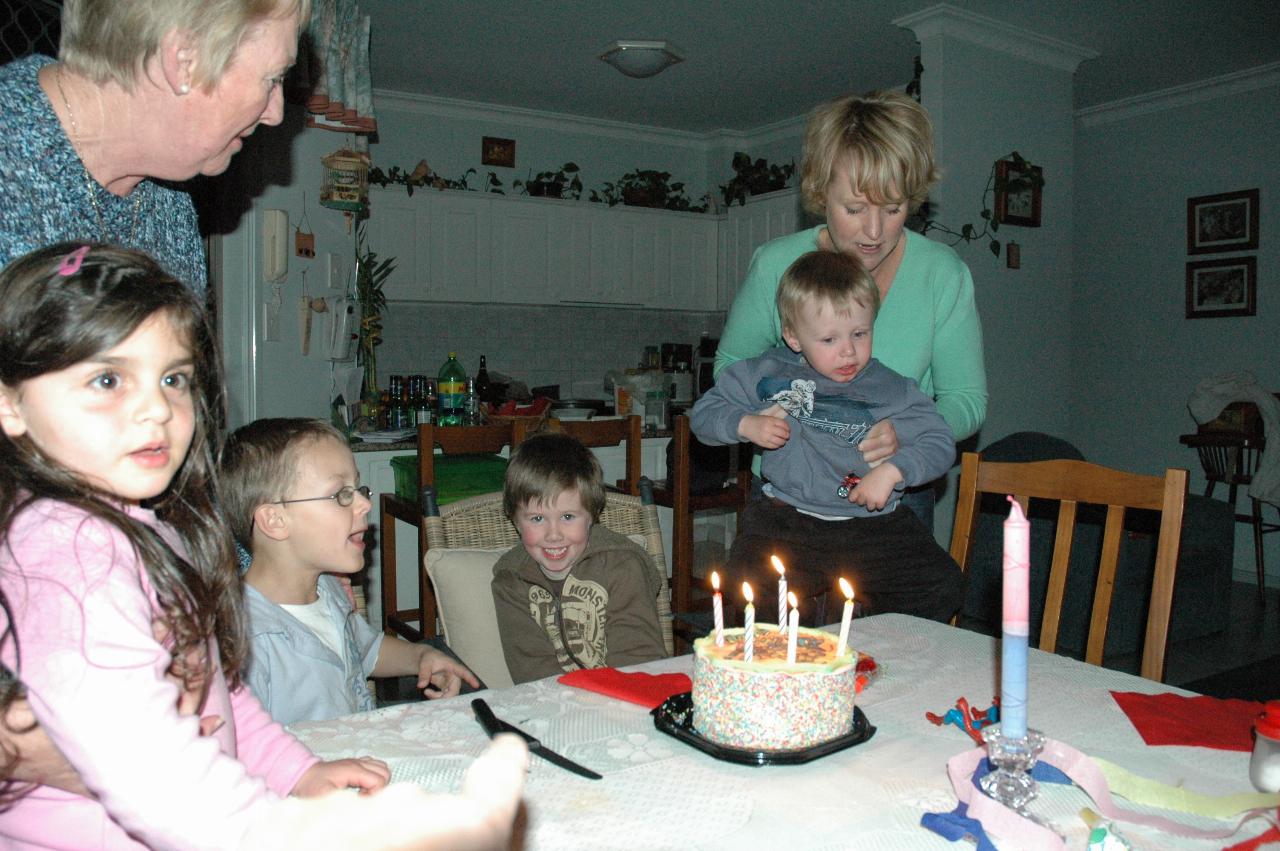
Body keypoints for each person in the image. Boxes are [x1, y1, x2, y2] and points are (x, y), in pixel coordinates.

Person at [0, 243, 400, 847]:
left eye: (173, 378)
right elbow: (149, 767)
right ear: (10, 403)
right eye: (108, 379)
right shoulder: (68, 550)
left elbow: (222, 689)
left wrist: (296, 772)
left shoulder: (147, 529)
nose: (156, 408)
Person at [715, 89, 988, 532]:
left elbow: (967, 400)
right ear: (822, 194)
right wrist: (761, 415)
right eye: (855, 209)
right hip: (788, 496)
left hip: (893, 495)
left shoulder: (942, 274)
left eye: (893, 208)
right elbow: (729, 365)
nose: (875, 231)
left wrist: (907, 430)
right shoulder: (775, 266)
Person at [690, 251, 963, 623]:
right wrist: (744, 424)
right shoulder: (767, 374)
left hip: (873, 525)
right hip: (788, 520)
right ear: (793, 336)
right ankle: (775, 669)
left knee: (941, 583)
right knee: (747, 591)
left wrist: (895, 470)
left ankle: (879, 655)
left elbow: (939, 440)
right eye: (829, 339)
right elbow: (704, 415)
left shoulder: (892, 388)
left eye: (859, 333)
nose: (848, 350)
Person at [0, 0, 310, 293]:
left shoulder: (166, 207)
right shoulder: (10, 165)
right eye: (273, 79)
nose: (275, 113)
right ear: (183, 60)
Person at [220, 417, 479, 724]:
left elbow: (367, 650)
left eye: (358, 489)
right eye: (341, 495)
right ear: (274, 521)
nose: (363, 505)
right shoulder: (243, 644)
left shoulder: (327, 590)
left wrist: (420, 656)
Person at [492, 432, 667, 684]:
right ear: (515, 521)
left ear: (592, 515)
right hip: (555, 706)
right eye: (537, 518)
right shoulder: (510, 582)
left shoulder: (622, 567)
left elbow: (639, 657)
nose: (553, 535)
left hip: (626, 697)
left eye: (568, 517)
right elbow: (531, 670)